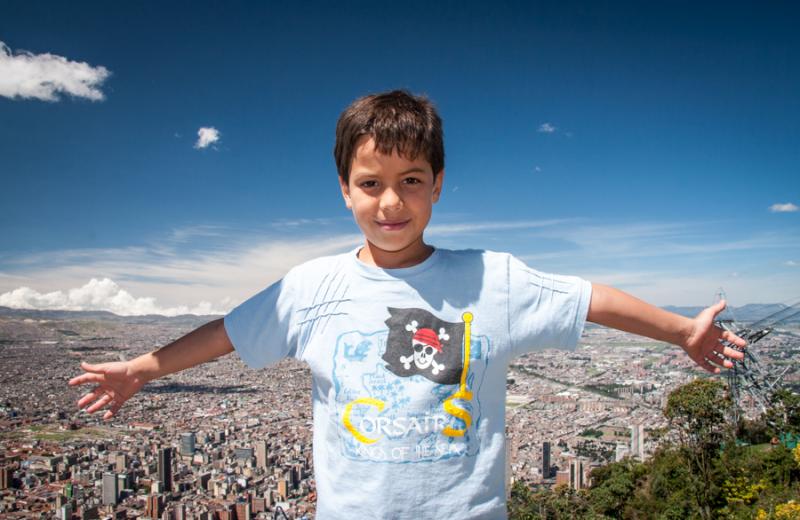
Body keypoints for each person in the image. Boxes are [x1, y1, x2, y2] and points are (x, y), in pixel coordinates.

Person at [69, 90, 747, 519]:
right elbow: (231, 332)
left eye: (411, 180)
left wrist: (682, 330)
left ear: (438, 185)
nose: (391, 202)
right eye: (371, 183)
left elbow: (589, 299)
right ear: (344, 189)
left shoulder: (490, 278)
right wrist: (144, 368)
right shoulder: (312, 286)